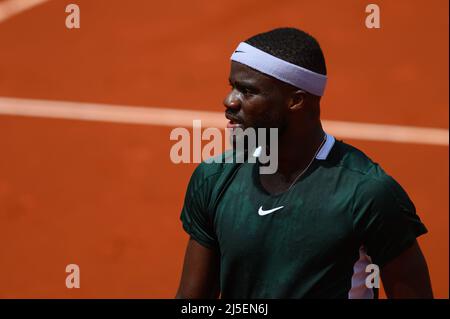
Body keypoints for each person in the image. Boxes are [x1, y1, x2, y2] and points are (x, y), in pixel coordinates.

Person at [175, 27, 433, 298]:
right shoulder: (215, 178)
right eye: (232, 87)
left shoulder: (367, 194)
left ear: (296, 101)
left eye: (247, 91)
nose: (229, 101)